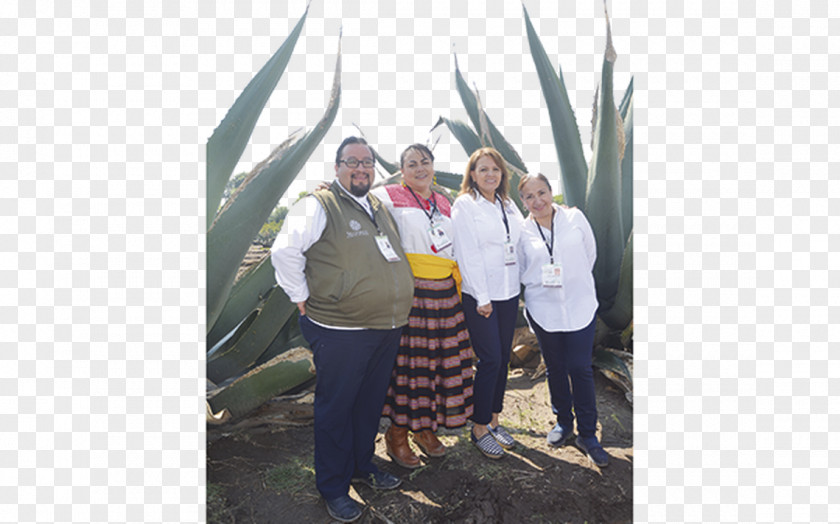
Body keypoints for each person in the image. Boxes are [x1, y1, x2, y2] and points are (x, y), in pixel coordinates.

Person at [270, 136, 416, 522]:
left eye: (367, 162)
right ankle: (333, 486)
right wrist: (299, 295)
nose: (361, 167)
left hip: (386, 327)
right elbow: (283, 251)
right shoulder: (317, 205)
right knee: (336, 407)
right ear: (336, 168)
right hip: (340, 329)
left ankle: (361, 466)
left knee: (368, 404)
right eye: (352, 161)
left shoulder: (378, 205)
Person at [371, 144, 475, 469]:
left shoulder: (445, 202)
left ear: (433, 166)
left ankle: (425, 430)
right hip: (412, 293)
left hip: (445, 293)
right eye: (412, 163)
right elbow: (354, 201)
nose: (420, 168)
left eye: (425, 162)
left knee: (440, 366)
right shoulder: (387, 195)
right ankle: (397, 435)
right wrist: (328, 190)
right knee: (411, 367)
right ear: (402, 171)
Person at [516, 173, 610, 468]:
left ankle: (587, 434)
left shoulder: (575, 219)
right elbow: (520, 269)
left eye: (542, 193)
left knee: (580, 368)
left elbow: (590, 255)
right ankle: (563, 423)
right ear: (523, 200)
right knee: (555, 367)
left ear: (551, 192)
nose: (538, 201)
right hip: (544, 310)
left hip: (579, 306)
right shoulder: (522, 231)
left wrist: (573, 282)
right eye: (530, 196)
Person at [451, 147, 523, 459]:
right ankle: (479, 427)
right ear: (472, 174)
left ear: (502, 174)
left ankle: (494, 420)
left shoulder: (508, 205)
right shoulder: (466, 205)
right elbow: (466, 252)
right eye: (483, 169)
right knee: (490, 359)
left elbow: (521, 241)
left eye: (495, 169)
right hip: (482, 297)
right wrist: (481, 297)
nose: (490, 174)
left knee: (503, 359)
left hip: (508, 293)